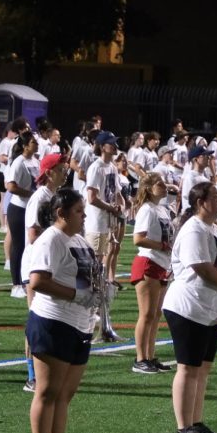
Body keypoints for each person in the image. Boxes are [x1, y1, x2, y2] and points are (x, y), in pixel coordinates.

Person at [24, 188, 99, 433]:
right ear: (61, 213)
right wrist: (75, 295)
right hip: (53, 321)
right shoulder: (51, 239)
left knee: (64, 395)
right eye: (79, 211)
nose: (84, 216)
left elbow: (86, 277)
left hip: (79, 323)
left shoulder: (78, 240)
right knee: (47, 391)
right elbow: (38, 281)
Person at [163, 182, 217, 433]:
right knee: (187, 368)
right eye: (215, 198)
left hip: (209, 308)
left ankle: (196, 421)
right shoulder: (194, 229)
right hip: (189, 306)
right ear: (200, 202)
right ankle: (184, 428)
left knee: (203, 368)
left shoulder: (213, 228)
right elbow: (202, 268)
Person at [22, 153, 68, 391]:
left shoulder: (53, 196)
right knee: (36, 321)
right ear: (49, 172)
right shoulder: (41, 198)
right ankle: (32, 375)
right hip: (36, 266)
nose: (65, 173)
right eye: (61, 169)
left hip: (49, 264)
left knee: (48, 320)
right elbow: (33, 234)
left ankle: (44, 371)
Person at [131, 173, 174, 374]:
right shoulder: (147, 210)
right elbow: (138, 239)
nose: (164, 187)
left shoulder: (162, 209)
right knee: (147, 314)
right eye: (160, 184)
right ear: (148, 188)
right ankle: (140, 358)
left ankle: (150, 356)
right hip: (149, 262)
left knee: (156, 314)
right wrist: (162, 245)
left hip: (162, 263)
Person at [84, 132, 125, 341]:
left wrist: (121, 205)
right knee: (95, 269)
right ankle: (92, 317)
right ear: (102, 146)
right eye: (110, 144)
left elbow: (116, 192)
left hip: (106, 223)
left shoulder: (112, 168)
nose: (114, 147)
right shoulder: (96, 167)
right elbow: (92, 198)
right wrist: (112, 207)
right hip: (96, 224)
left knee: (101, 268)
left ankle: (101, 316)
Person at [5, 132, 40, 299]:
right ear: (25, 145)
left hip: (31, 208)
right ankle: (16, 285)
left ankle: (26, 281)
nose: (37, 144)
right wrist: (30, 193)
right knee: (18, 247)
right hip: (19, 209)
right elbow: (10, 187)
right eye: (34, 142)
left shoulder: (35, 161)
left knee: (30, 247)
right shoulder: (18, 162)